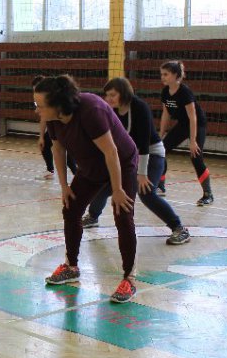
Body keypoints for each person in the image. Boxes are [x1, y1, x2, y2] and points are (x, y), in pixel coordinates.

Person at [33, 75, 139, 303]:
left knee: (123, 214)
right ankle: (71, 266)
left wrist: (117, 189)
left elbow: (111, 151)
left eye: (40, 105)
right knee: (71, 209)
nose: (37, 110)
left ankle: (129, 277)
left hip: (121, 161)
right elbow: (58, 150)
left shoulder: (92, 110)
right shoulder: (53, 118)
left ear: (58, 104)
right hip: (91, 165)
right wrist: (64, 186)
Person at [81, 78, 191, 245]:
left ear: (123, 93)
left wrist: (142, 173)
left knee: (146, 192)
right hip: (126, 155)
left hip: (151, 153)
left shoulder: (140, 107)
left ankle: (179, 228)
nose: (108, 99)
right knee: (104, 184)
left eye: (112, 95)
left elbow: (144, 143)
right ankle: (92, 217)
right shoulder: (110, 110)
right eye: (107, 95)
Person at [158, 60, 214, 206]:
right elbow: (166, 114)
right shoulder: (165, 92)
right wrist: (161, 135)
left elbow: (193, 117)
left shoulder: (184, 92)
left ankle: (208, 194)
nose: (162, 77)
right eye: (161, 74)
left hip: (197, 124)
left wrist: (193, 141)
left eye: (166, 74)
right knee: (160, 150)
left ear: (176, 75)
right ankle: (160, 185)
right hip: (183, 124)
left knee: (196, 157)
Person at [32, 75, 77, 180]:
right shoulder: (42, 105)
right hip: (56, 128)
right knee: (46, 144)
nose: (37, 110)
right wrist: (41, 137)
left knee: (69, 157)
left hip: (67, 130)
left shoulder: (56, 100)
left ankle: (79, 175)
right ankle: (50, 170)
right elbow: (44, 119)